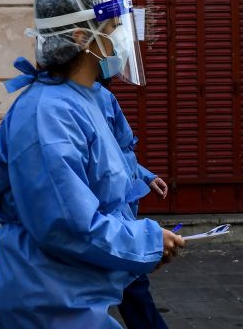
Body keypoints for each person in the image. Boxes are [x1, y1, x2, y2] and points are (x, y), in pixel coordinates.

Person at [0, 0, 186, 329]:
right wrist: (144, 241)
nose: (120, 39)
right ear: (81, 37)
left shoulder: (87, 101)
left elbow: (105, 186)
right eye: (113, 27)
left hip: (76, 295)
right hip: (46, 302)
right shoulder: (47, 114)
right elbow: (67, 224)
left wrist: (142, 249)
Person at [96, 82, 171, 329]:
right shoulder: (91, 99)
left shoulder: (100, 96)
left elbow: (120, 154)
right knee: (132, 282)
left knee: (129, 284)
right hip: (110, 213)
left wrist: (146, 176)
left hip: (117, 210)